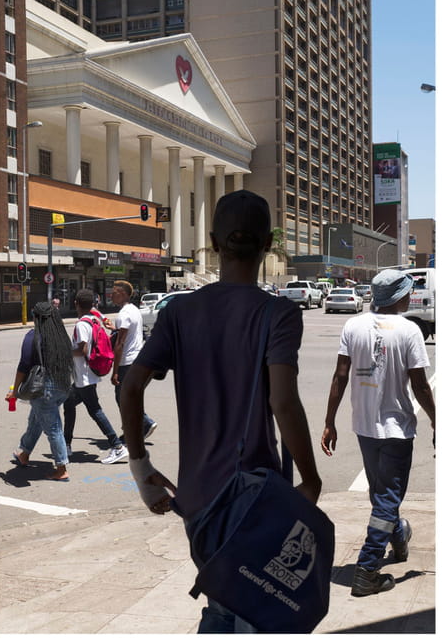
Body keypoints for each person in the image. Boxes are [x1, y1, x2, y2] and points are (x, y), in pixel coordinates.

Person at [118, 190, 322, 633]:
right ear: (269, 243)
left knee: (224, 601)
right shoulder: (279, 313)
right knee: (254, 612)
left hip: (197, 500)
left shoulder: (180, 311)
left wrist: (141, 468)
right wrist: (311, 477)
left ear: (212, 242)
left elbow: (130, 386)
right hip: (255, 496)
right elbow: (283, 402)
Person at [321, 269, 435, 597]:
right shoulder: (409, 330)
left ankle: (398, 539)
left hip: (365, 428)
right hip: (397, 429)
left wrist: (330, 421)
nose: (410, 297)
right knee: (386, 498)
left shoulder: (353, 325)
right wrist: (435, 421)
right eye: (408, 292)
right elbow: (420, 385)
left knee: (382, 494)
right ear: (399, 296)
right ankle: (367, 569)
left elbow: (340, 375)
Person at [5, 302, 75, 481]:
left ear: (36, 317)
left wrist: (15, 391)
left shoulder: (33, 335)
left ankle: (61, 468)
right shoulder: (60, 335)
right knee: (36, 419)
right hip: (63, 386)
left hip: (44, 389)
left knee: (53, 428)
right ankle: (24, 453)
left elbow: (24, 365)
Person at [63, 289, 127, 463]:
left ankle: (117, 446)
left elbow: (83, 350)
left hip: (84, 376)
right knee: (69, 404)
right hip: (85, 375)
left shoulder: (82, 324)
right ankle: (66, 444)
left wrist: (64, 353)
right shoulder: (93, 319)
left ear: (76, 303)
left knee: (95, 411)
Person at [105, 280, 157, 440]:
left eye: (114, 292)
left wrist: (114, 371)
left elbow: (120, 344)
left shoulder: (124, 314)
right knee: (127, 397)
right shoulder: (133, 310)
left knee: (123, 398)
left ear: (123, 294)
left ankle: (144, 424)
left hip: (127, 362)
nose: (111, 295)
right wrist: (114, 329)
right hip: (137, 359)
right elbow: (129, 335)